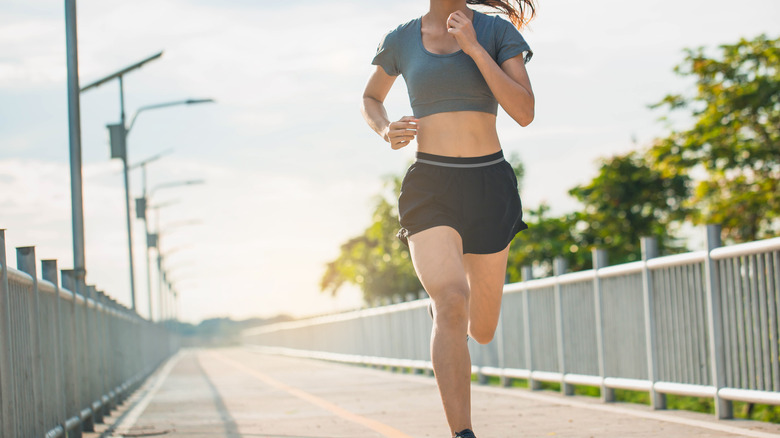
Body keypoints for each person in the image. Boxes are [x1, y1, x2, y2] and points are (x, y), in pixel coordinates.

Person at [361, 0, 536, 436]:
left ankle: (446, 310)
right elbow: (370, 97)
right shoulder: (400, 38)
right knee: (453, 299)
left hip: (489, 184)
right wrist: (385, 129)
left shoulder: (496, 33)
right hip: (431, 184)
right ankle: (463, 432)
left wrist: (475, 49)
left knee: (483, 328)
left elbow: (525, 111)